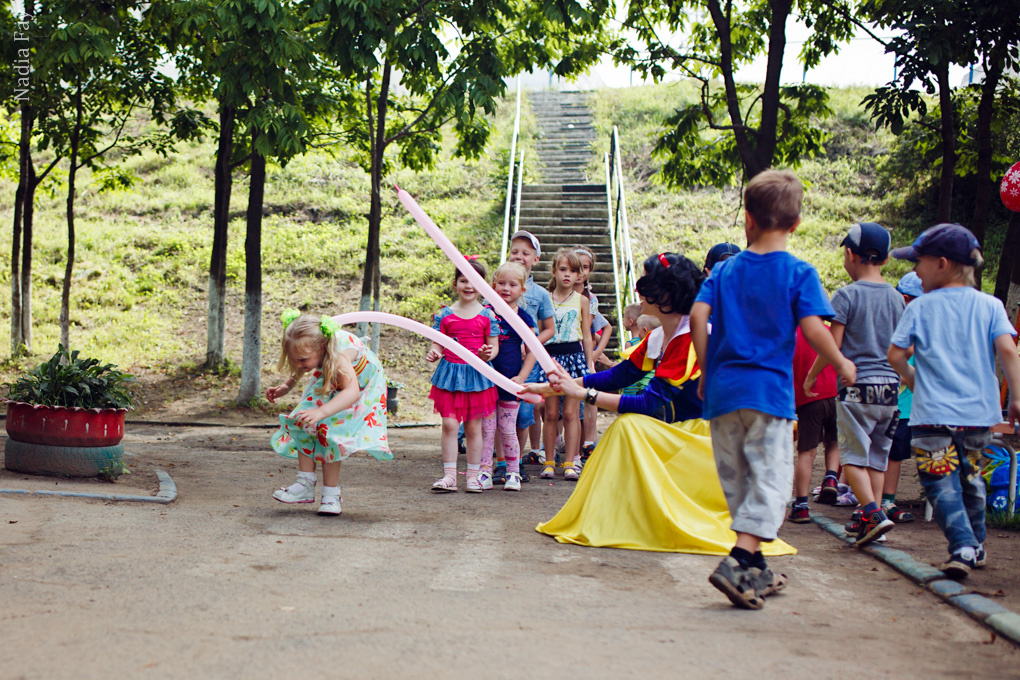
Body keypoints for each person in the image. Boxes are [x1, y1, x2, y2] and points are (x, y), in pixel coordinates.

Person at [526, 253, 796, 559]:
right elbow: (617, 376)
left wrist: (580, 394)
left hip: (712, 441)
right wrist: (551, 388)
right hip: (683, 434)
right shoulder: (661, 336)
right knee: (628, 427)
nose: (639, 290)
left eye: (646, 282)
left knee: (629, 427)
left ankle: (622, 519)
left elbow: (646, 403)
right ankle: (620, 518)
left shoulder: (690, 338)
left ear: (665, 294)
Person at [690, 169, 856, 610]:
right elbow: (813, 328)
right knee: (773, 481)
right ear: (796, 224)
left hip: (724, 393)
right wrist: (839, 361)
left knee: (741, 480)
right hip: (768, 396)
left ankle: (756, 570)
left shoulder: (724, 271)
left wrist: (707, 370)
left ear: (747, 219)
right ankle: (740, 557)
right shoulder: (798, 272)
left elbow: (697, 316)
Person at [888, 223, 1020, 578]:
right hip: (977, 416)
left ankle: (963, 544)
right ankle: (974, 545)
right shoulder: (991, 305)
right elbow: (1008, 348)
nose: (915, 268)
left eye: (919, 261)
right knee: (972, 479)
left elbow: (896, 355)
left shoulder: (921, 308)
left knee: (939, 482)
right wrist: (1016, 399)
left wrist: (916, 383)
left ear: (942, 264)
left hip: (931, 416)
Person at [805, 222, 904, 546]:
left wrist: (812, 375)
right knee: (876, 458)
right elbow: (905, 346)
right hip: (890, 389)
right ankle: (872, 521)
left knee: (852, 458)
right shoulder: (896, 297)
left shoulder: (846, 295)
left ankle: (873, 514)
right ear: (886, 260)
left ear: (850, 254)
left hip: (856, 386)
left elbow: (832, 345)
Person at [268, 311, 391, 516]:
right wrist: (287, 386)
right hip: (332, 379)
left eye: (303, 359)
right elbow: (304, 365)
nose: (298, 364)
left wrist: (322, 411)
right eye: (294, 359)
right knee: (302, 420)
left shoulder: (341, 356)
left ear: (322, 348)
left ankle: (331, 495)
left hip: (359, 387)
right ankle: (305, 483)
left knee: (330, 431)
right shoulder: (312, 349)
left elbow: (351, 392)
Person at [425, 259, 500, 493]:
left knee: (473, 427)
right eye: (463, 280)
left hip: (476, 375)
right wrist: (434, 352)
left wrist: (487, 354)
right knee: (449, 424)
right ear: (455, 283)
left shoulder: (487, 315)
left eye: (474, 281)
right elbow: (437, 343)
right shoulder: (446, 315)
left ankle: (473, 476)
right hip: (450, 374)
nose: (469, 285)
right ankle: (449, 476)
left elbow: (493, 347)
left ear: (484, 285)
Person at [535, 247, 592, 480]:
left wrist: (589, 362)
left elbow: (586, 334)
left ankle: (570, 462)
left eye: (574, 271)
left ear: (580, 275)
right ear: (554, 271)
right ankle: (549, 461)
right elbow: (539, 331)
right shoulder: (543, 298)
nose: (568, 275)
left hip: (573, 358)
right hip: (549, 358)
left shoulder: (583, 300)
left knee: (570, 413)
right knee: (549, 414)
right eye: (563, 269)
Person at [480, 262, 536, 492]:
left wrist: (522, 376)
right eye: (501, 283)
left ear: (522, 290)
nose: (506, 288)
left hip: (510, 382)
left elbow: (533, 349)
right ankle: (483, 471)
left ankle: (513, 472)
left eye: (512, 284)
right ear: (493, 285)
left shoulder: (524, 317)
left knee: (508, 429)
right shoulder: (485, 312)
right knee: (486, 429)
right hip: (484, 381)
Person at [507, 230, 556, 475]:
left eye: (526, 253)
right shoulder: (498, 288)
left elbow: (550, 328)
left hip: (530, 363)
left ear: (535, 259)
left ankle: (515, 462)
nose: (519, 256)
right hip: (502, 358)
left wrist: (532, 342)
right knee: (501, 408)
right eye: (515, 251)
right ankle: (501, 462)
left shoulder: (540, 294)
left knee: (524, 413)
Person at [882, 272, 924, 523]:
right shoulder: (897, 327)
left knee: (895, 454)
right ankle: (879, 502)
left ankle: (886, 499)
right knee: (884, 453)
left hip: (909, 407)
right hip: (892, 403)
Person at [788, 325, 840, 522]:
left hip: (809, 398)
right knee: (834, 443)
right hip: (835, 394)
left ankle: (801, 505)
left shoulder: (791, 334)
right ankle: (831, 478)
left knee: (806, 452)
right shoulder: (829, 332)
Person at [575, 246, 613, 461]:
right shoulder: (558, 293)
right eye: (577, 266)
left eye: (585, 267)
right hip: (563, 351)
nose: (580, 271)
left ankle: (587, 442)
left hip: (583, 351)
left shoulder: (590, 298)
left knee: (586, 401)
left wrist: (596, 353)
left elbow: (599, 328)